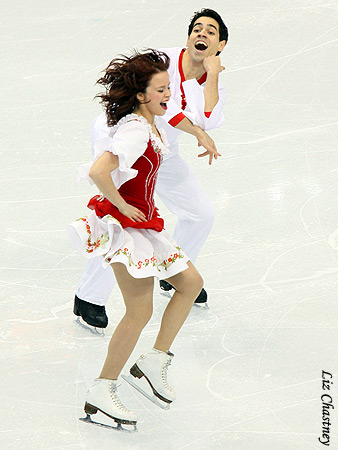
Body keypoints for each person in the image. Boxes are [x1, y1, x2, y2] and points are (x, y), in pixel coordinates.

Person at [68, 49, 206, 429]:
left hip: (144, 225)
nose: (167, 95)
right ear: (142, 94)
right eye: (161, 89)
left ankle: (153, 361)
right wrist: (122, 207)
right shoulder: (134, 129)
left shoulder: (150, 125)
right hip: (126, 228)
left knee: (190, 282)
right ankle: (102, 389)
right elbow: (100, 170)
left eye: (168, 88)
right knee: (139, 311)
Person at [73, 8, 228, 330]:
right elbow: (167, 108)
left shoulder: (210, 81)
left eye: (211, 32)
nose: (202, 34)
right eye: (197, 28)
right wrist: (197, 132)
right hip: (122, 138)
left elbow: (209, 120)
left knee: (200, 213)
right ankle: (89, 297)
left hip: (161, 150)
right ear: (188, 37)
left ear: (220, 45)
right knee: (120, 219)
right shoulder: (161, 62)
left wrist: (212, 75)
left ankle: (172, 274)